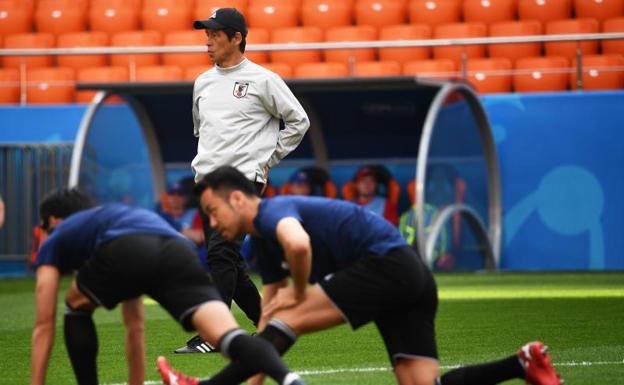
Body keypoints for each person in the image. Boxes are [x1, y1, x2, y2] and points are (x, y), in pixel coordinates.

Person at [158, 166, 563, 385]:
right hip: (410, 278)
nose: (210, 221)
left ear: (239, 199)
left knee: (290, 315)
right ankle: (521, 364)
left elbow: (298, 247)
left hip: (387, 267)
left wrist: (299, 293)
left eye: (213, 211)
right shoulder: (261, 239)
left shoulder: (275, 212)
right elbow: (268, 322)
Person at [30, 187, 305, 385]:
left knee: (75, 305)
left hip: (127, 249)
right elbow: (134, 326)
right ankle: (289, 379)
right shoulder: (116, 219)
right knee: (225, 334)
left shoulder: (60, 236)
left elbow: (44, 325)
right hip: (176, 249)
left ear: (54, 221)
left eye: (43, 227)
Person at [176, 7, 310, 354]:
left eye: (215, 35)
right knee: (229, 261)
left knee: (220, 255)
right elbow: (202, 132)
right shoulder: (202, 82)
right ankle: (272, 324)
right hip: (207, 182)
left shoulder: (264, 80)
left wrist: (267, 159)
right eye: (206, 35)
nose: (207, 42)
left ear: (237, 38)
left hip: (241, 184)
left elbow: (298, 122)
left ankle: (213, 334)